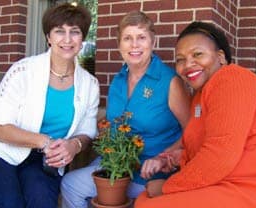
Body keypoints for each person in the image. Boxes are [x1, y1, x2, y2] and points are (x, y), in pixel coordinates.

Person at [135, 21, 256, 208]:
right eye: (180, 59)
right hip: (228, 181)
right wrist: (170, 159)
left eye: (197, 54)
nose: (188, 64)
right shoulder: (200, 96)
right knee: (146, 199)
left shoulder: (231, 78)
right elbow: (203, 146)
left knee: (150, 204)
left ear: (221, 57)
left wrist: (167, 187)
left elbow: (220, 156)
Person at [61, 10, 191, 208]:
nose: (135, 45)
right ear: (119, 45)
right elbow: (114, 123)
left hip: (151, 172)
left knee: (77, 185)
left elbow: (193, 131)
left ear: (152, 42)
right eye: (127, 38)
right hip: (116, 163)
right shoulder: (118, 80)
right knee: (71, 184)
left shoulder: (170, 81)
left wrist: (162, 158)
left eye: (141, 37)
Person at [0, 3, 99, 208]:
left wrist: (74, 145)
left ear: (82, 38)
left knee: (42, 201)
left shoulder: (90, 84)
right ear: (48, 37)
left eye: (75, 32)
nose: (67, 39)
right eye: (59, 31)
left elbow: (87, 132)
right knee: (9, 204)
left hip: (44, 161)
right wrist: (44, 141)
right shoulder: (23, 71)